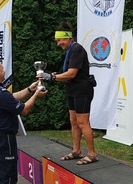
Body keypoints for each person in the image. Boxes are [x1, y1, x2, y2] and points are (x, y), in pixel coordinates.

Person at [37, 21, 98, 165]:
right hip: (72, 89)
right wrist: (56, 75)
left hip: (82, 90)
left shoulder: (77, 49)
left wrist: (52, 77)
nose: (58, 44)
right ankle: (76, 151)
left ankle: (92, 154)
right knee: (73, 121)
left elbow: (71, 74)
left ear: (68, 38)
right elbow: (69, 73)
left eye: (60, 40)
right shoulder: (71, 50)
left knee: (83, 122)